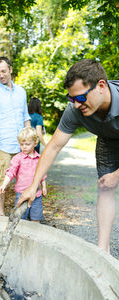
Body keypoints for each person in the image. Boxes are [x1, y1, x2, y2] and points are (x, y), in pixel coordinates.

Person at [17, 59, 119, 254]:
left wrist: (117, 175)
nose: (76, 104)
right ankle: (102, 250)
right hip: (108, 139)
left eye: (80, 98)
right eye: (71, 99)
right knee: (105, 188)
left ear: (101, 86)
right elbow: (54, 146)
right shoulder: (75, 109)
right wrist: (33, 185)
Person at [0, 57, 31, 216]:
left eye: (3, 71)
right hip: (2, 144)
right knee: (0, 180)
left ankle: (21, 214)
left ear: (10, 69)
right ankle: (1, 215)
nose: (1, 75)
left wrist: (31, 137)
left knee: (25, 180)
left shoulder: (21, 91)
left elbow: (25, 116)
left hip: (22, 145)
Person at [0, 127, 47, 222]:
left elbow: (42, 174)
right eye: (22, 144)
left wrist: (44, 186)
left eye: (27, 144)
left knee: (36, 218)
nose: (24, 147)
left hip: (36, 195)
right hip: (21, 193)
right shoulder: (18, 158)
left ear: (35, 143)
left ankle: (33, 235)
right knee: (20, 219)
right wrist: (4, 184)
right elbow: (11, 172)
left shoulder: (39, 158)